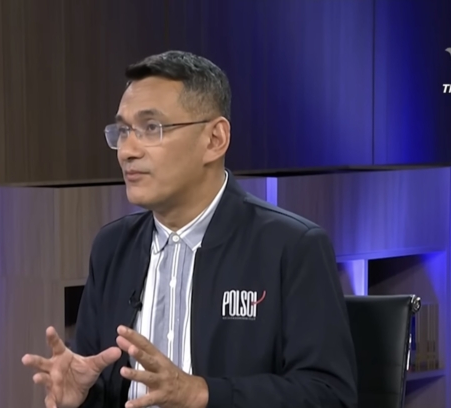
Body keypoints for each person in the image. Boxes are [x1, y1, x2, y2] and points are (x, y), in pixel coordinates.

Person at [22, 50, 357, 408]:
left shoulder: (291, 248)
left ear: (214, 139)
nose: (127, 151)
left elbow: (330, 395)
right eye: (123, 131)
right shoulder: (112, 247)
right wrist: (80, 397)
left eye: (151, 128)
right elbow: (102, 384)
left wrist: (201, 393)